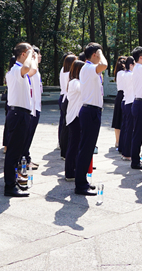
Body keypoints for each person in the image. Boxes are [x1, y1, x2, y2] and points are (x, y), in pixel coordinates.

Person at [74, 43, 108, 196]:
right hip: (90, 111)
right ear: (94, 54)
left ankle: (83, 181)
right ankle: (80, 184)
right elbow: (104, 65)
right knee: (86, 148)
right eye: (98, 53)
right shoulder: (88, 68)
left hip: (92, 111)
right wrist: (101, 54)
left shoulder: (90, 69)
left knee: (88, 148)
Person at [3, 43, 36, 197]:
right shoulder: (17, 69)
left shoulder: (18, 70)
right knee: (13, 152)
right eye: (28, 53)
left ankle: (13, 180)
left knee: (17, 151)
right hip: (18, 114)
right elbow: (27, 68)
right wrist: (30, 54)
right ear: (23, 54)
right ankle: (9, 186)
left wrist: (32, 56)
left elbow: (32, 70)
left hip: (22, 113)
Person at [64, 60, 85, 181]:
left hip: (76, 117)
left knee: (76, 145)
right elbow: (84, 88)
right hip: (74, 118)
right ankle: (69, 172)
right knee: (73, 145)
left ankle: (74, 168)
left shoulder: (74, 82)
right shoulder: (74, 82)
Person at [22, 46, 42, 170]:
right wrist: (32, 57)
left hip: (36, 106)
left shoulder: (35, 70)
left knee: (29, 136)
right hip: (31, 108)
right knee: (26, 136)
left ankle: (26, 157)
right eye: (37, 54)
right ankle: (24, 159)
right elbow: (33, 70)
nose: (40, 57)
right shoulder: (30, 69)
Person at [129, 46, 142, 171]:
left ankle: (135, 159)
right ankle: (135, 161)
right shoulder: (139, 67)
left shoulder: (138, 68)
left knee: (138, 133)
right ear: (141, 58)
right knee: (138, 134)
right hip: (140, 103)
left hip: (139, 102)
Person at [59, 54, 76, 159]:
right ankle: (65, 150)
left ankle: (63, 148)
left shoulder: (63, 71)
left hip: (64, 97)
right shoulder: (70, 74)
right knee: (67, 125)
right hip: (68, 98)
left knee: (64, 124)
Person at [118, 57, 135, 160]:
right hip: (130, 102)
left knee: (125, 127)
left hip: (125, 101)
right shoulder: (130, 75)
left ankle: (122, 148)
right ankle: (127, 153)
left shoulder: (123, 74)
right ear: (131, 65)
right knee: (129, 129)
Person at [112, 56, 127, 150]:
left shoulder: (117, 73)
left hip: (119, 95)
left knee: (117, 118)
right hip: (124, 95)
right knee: (121, 119)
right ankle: (120, 141)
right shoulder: (124, 73)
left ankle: (117, 141)